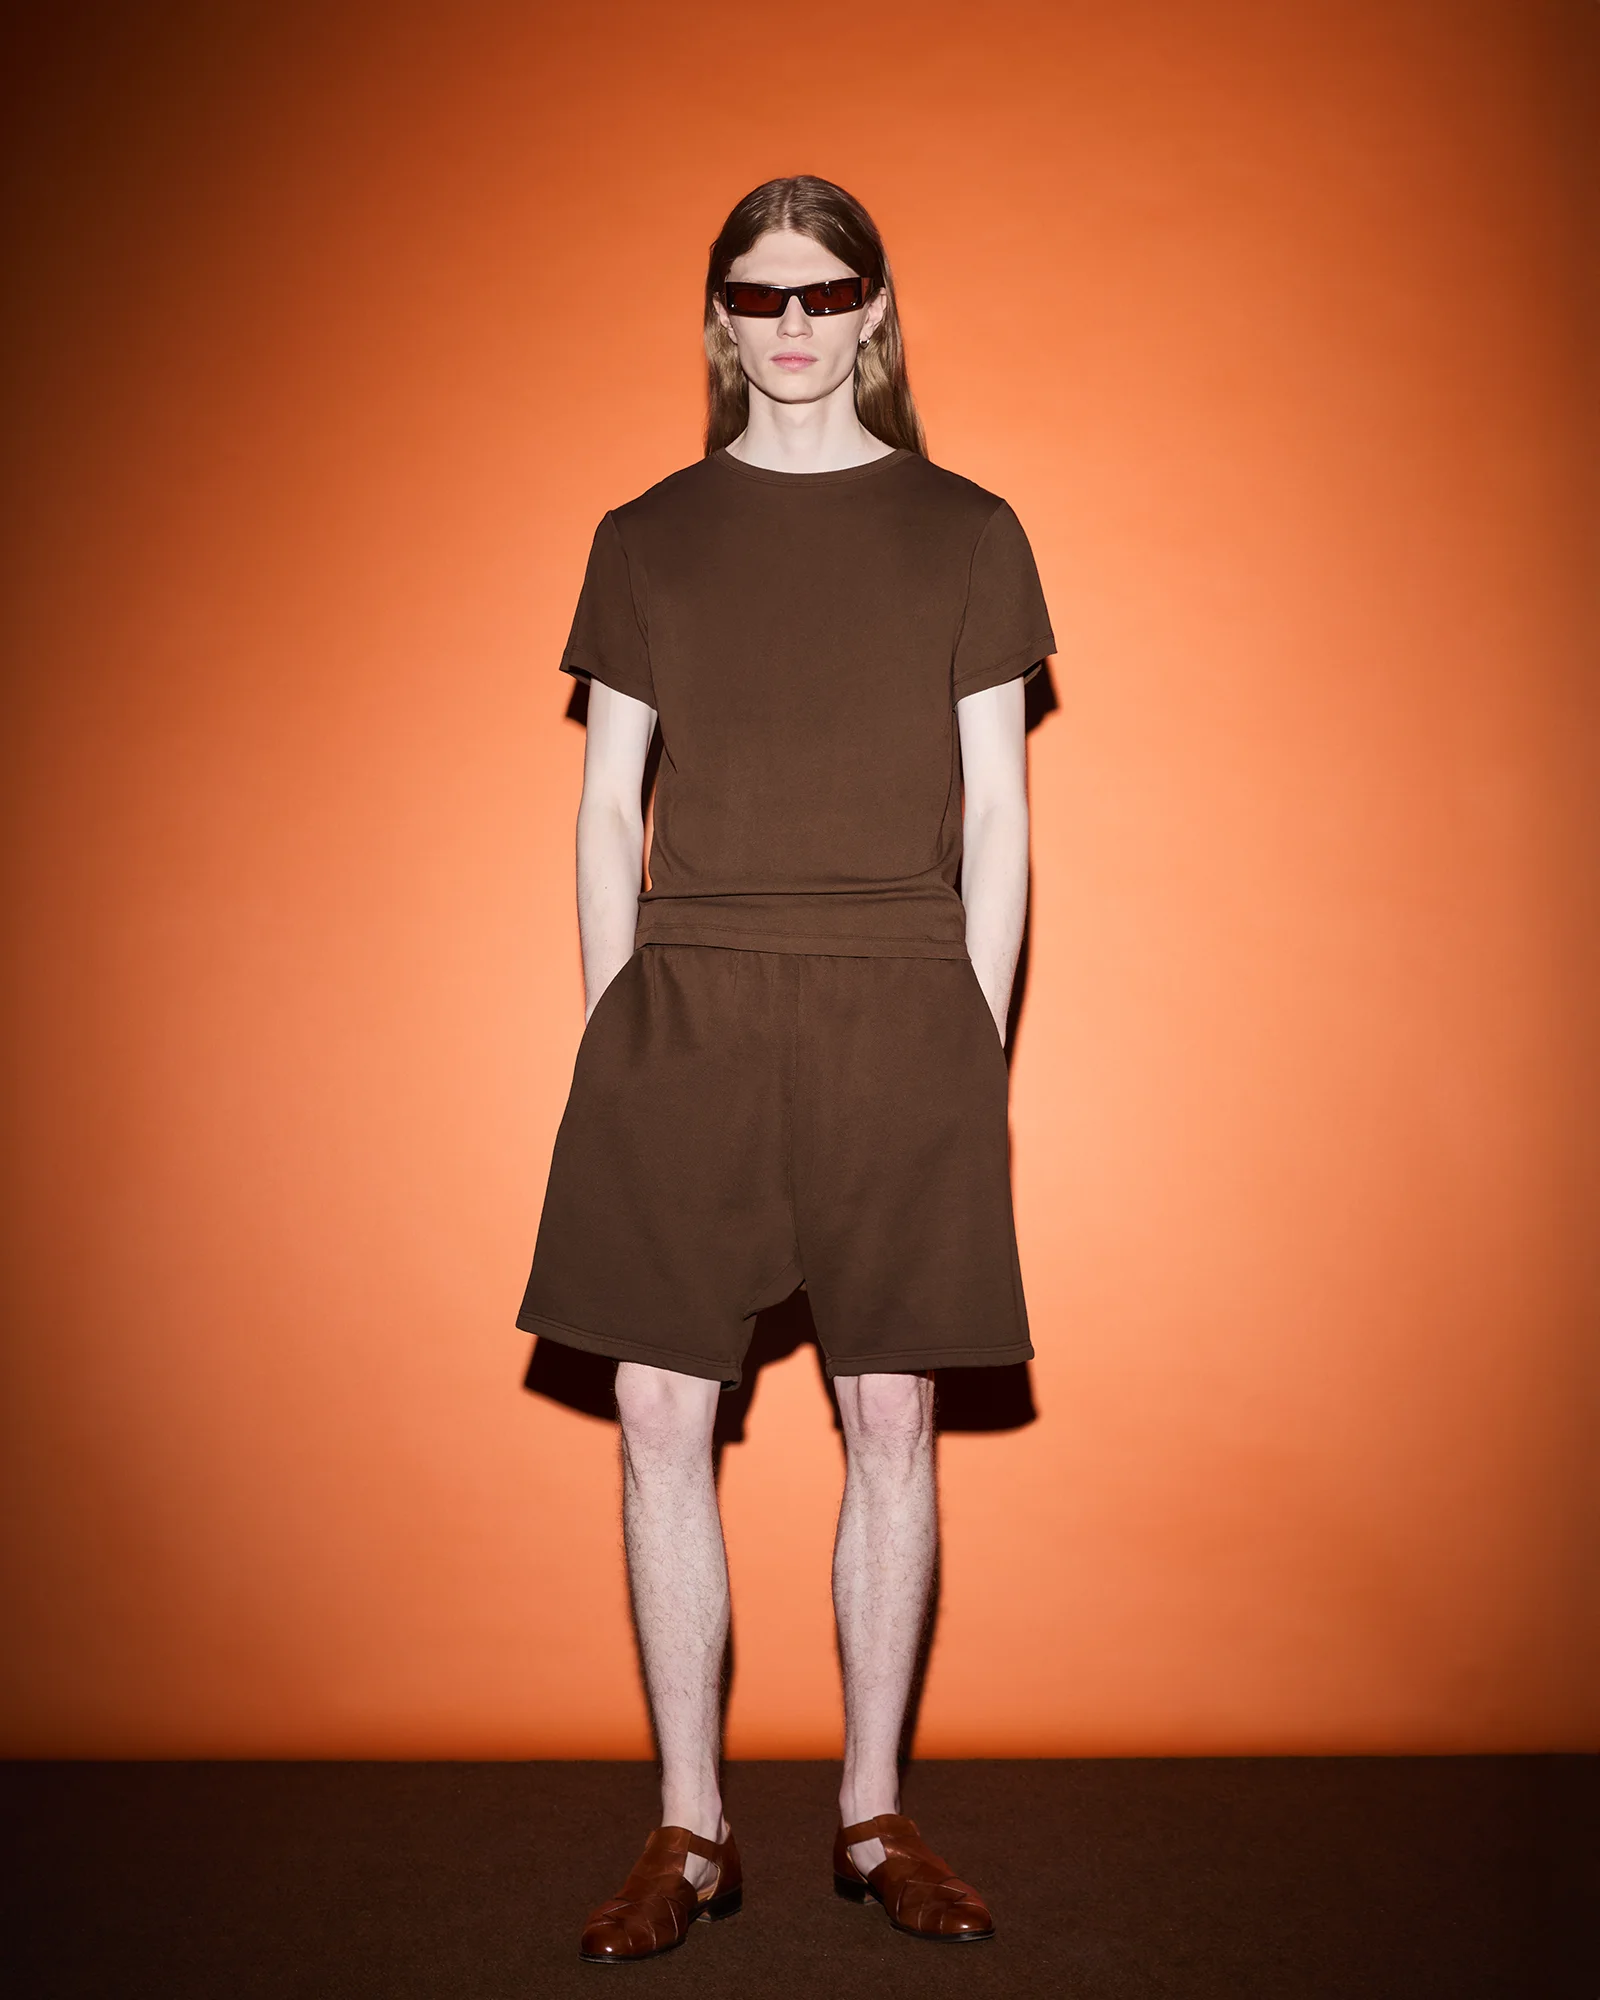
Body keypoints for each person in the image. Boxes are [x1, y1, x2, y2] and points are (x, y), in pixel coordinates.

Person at [516, 174, 1054, 1964]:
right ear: (721, 316)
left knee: (891, 1416)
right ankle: (690, 1829)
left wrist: (971, 1037)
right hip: (692, 1000)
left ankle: (873, 1814)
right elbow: (606, 803)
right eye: (761, 295)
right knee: (660, 1413)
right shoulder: (645, 537)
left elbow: (1001, 810)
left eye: (827, 292)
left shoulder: (968, 529)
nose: (796, 323)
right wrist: (619, 1027)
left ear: (875, 309)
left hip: (901, 996)